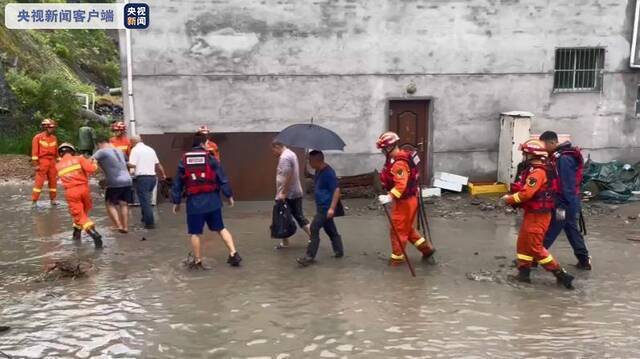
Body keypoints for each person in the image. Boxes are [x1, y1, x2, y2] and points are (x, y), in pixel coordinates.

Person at [501, 139, 575, 289]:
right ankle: (524, 275)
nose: (523, 156)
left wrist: (508, 199)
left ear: (531, 155)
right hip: (532, 213)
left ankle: (561, 274)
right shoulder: (536, 169)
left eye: (524, 154)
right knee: (523, 244)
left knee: (535, 247)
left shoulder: (538, 172)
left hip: (539, 216)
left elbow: (526, 194)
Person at [171, 132, 242, 269]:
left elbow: (178, 183)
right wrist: (229, 195)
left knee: (195, 233)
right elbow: (222, 178)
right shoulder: (211, 158)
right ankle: (233, 252)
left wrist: (176, 201)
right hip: (213, 201)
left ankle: (198, 261)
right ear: (204, 144)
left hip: (194, 203)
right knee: (220, 228)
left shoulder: (183, 160)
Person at [376, 132, 435, 265]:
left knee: (397, 230)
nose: (383, 152)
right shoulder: (400, 157)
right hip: (409, 199)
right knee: (406, 228)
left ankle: (396, 261)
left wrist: (389, 197)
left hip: (404, 201)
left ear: (389, 147)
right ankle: (426, 249)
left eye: (383, 149)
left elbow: (401, 185)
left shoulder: (399, 163)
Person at [539, 131, 592, 270]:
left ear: (552, 142)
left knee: (553, 228)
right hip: (566, 201)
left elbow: (567, 183)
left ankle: (534, 257)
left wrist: (565, 204)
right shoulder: (559, 156)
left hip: (564, 203)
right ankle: (584, 260)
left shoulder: (563, 159)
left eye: (544, 144)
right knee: (571, 229)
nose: (543, 148)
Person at [297, 150, 344, 266]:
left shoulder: (329, 173)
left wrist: (332, 208)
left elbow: (336, 190)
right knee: (330, 230)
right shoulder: (318, 171)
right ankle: (339, 252)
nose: (309, 163)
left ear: (317, 161)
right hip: (321, 206)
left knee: (314, 228)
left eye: (310, 161)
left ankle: (309, 256)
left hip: (326, 207)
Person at [55, 143, 103, 248]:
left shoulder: (57, 165)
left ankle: (94, 233)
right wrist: (94, 163)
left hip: (71, 192)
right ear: (72, 151)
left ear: (60, 154)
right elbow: (92, 169)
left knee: (80, 216)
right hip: (84, 190)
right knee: (83, 213)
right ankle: (76, 235)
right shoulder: (79, 159)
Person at [271, 141, 311, 248]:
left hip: (288, 194)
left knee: (283, 216)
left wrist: (283, 193)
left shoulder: (284, 158)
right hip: (293, 191)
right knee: (290, 217)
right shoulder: (291, 153)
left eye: (273, 150)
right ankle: (286, 242)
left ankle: (313, 237)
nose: (273, 152)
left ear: (278, 147)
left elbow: (289, 175)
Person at [93, 136, 134, 233]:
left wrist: (95, 169)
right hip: (128, 180)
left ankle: (118, 225)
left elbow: (91, 161)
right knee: (123, 204)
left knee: (110, 204)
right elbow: (128, 163)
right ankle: (125, 227)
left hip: (114, 181)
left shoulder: (101, 151)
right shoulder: (119, 151)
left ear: (99, 143)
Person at [129, 135, 167, 229]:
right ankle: (144, 218)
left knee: (145, 202)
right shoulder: (150, 149)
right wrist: (164, 175)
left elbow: (132, 165)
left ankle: (149, 224)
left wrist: (124, 162)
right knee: (146, 199)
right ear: (141, 140)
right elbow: (158, 164)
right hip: (152, 178)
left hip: (143, 179)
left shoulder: (135, 150)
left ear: (132, 142)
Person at [31, 118, 58, 206]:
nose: (52, 129)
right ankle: (34, 201)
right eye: (50, 127)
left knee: (53, 181)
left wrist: (59, 163)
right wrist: (36, 165)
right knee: (39, 182)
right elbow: (34, 153)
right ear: (45, 127)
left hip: (52, 162)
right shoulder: (37, 137)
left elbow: (56, 152)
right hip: (42, 162)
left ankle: (53, 200)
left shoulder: (54, 138)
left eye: (53, 127)